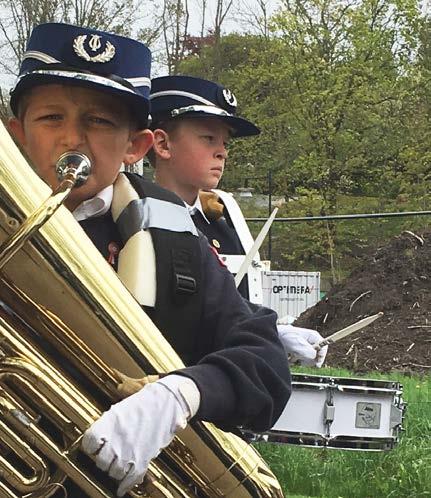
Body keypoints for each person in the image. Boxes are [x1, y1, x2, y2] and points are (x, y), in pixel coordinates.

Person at [8, 23, 291, 497]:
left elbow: (263, 360)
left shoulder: (174, 237)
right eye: (50, 118)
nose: (72, 140)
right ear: (16, 134)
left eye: (99, 122)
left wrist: (180, 394)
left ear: (134, 146)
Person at [148, 75, 328, 368]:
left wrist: (275, 332)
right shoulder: (135, 219)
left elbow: (232, 306)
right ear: (163, 144)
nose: (221, 152)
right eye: (208, 138)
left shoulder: (222, 221)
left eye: (225, 142)